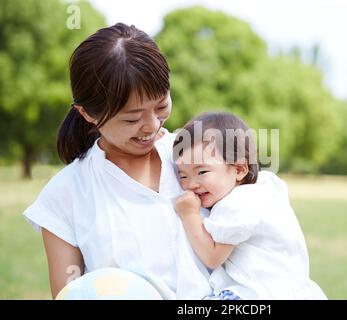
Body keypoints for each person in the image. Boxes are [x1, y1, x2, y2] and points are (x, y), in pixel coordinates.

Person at [23, 23, 212, 300]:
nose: (151, 125)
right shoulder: (66, 193)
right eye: (132, 118)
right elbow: (71, 295)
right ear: (87, 113)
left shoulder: (204, 158)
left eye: (161, 105)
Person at [173, 112, 327, 299]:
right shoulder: (264, 188)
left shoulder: (236, 202)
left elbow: (212, 257)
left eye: (202, 171)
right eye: (183, 175)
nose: (191, 185)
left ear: (239, 169)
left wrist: (189, 214)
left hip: (256, 293)